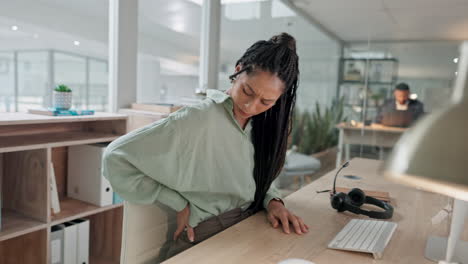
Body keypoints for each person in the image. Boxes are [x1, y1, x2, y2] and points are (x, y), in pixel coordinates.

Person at [102, 32, 309, 260]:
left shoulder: (262, 125)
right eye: (247, 91)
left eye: (266, 102)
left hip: (251, 222)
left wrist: (274, 201)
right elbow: (115, 156)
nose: (251, 106)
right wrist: (178, 204)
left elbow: (253, 178)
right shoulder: (197, 119)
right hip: (209, 235)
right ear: (238, 70)